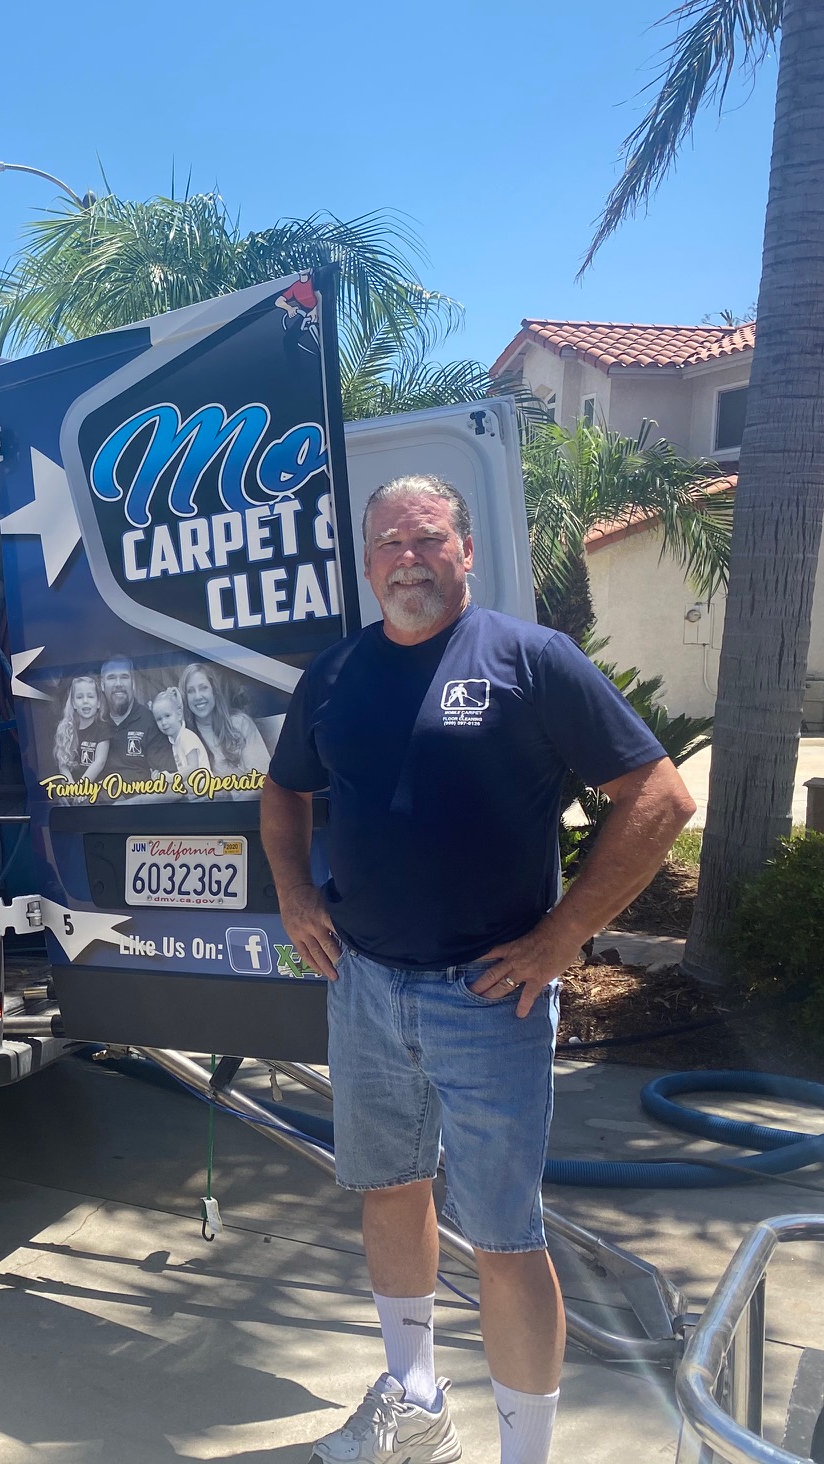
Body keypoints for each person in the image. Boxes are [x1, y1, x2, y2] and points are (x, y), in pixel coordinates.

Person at [260, 474, 694, 1464]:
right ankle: (416, 1404)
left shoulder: (531, 661)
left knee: (503, 1238)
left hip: (488, 998)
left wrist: (561, 936)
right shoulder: (332, 676)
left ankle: (523, 1454)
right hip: (364, 984)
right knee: (390, 1190)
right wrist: (294, 898)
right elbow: (282, 797)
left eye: (425, 538)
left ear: (466, 552)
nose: (405, 557)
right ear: (366, 564)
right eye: (386, 544)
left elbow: (660, 797)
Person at [181, 660, 271, 798]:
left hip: (244, 813)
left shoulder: (240, 723)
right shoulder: (184, 736)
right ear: (185, 698)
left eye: (203, 688)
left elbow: (263, 780)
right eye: (191, 691)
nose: (198, 696)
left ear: (214, 692)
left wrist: (230, 803)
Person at [98, 656, 177, 790]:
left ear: (133, 683)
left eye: (124, 677)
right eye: (111, 677)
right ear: (102, 684)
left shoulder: (151, 722)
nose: (118, 683)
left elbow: (172, 787)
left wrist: (127, 804)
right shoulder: (95, 723)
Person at [53, 674, 111, 791]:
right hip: (71, 788)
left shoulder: (103, 728)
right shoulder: (66, 729)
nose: (85, 701)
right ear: (73, 703)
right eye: (79, 697)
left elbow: (100, 762)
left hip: (95, 787)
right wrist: (70, 787)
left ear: (98, 703)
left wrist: (81, 788)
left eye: (90, 696)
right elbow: (62, 764)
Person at [150, 685, 210, 781]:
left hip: (206, 789)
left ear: (179, 714)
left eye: (167, 716)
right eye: (159, 719)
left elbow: (193, 767)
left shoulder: (186, 737)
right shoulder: (175, 742)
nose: (164, 722)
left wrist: (172, 777)